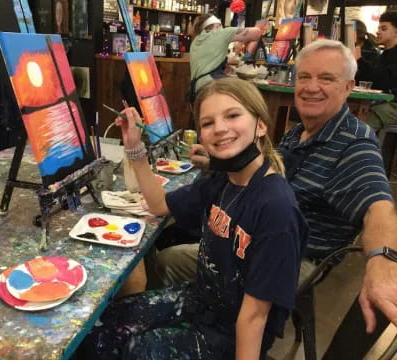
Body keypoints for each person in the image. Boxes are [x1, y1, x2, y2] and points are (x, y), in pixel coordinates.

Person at [153, 40, 397, 347]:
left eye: (326, 78)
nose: (311, 87)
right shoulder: (299, 132)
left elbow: (380, 206)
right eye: (304, 77)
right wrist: (219, 161)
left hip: (294, 256)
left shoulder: (354, 145)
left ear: (349, 87)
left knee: (171, 258)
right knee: (181, 238)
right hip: (253, 230)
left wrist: (383, 259)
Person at [78, 77, 308, 359]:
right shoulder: (222, 179)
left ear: (260, 124)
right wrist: (134, 146)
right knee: (97, 330)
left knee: (127, 350)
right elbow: (160, 204)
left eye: (233, 115)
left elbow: (254, 318)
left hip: (229, 335)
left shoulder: (276, 210)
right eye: (208, 123)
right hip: (200, 301)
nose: (220, 128)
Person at [188, 14, 261, 103]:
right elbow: (257, 32)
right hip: (211, 88)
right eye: (221, 26)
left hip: (195, 90)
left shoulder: (196, 40)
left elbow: (209, 61)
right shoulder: (219, 33)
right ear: (217, 25)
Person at [355, 11, 397, 131]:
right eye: (379, 28)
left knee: (367, 116)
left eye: (383, 29)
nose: (378, 32)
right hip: (385, 102)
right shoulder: (383, 55)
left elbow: (384, 81)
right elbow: (373, 80)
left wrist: (360, 61)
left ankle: (363, 148)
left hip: (393, 105)